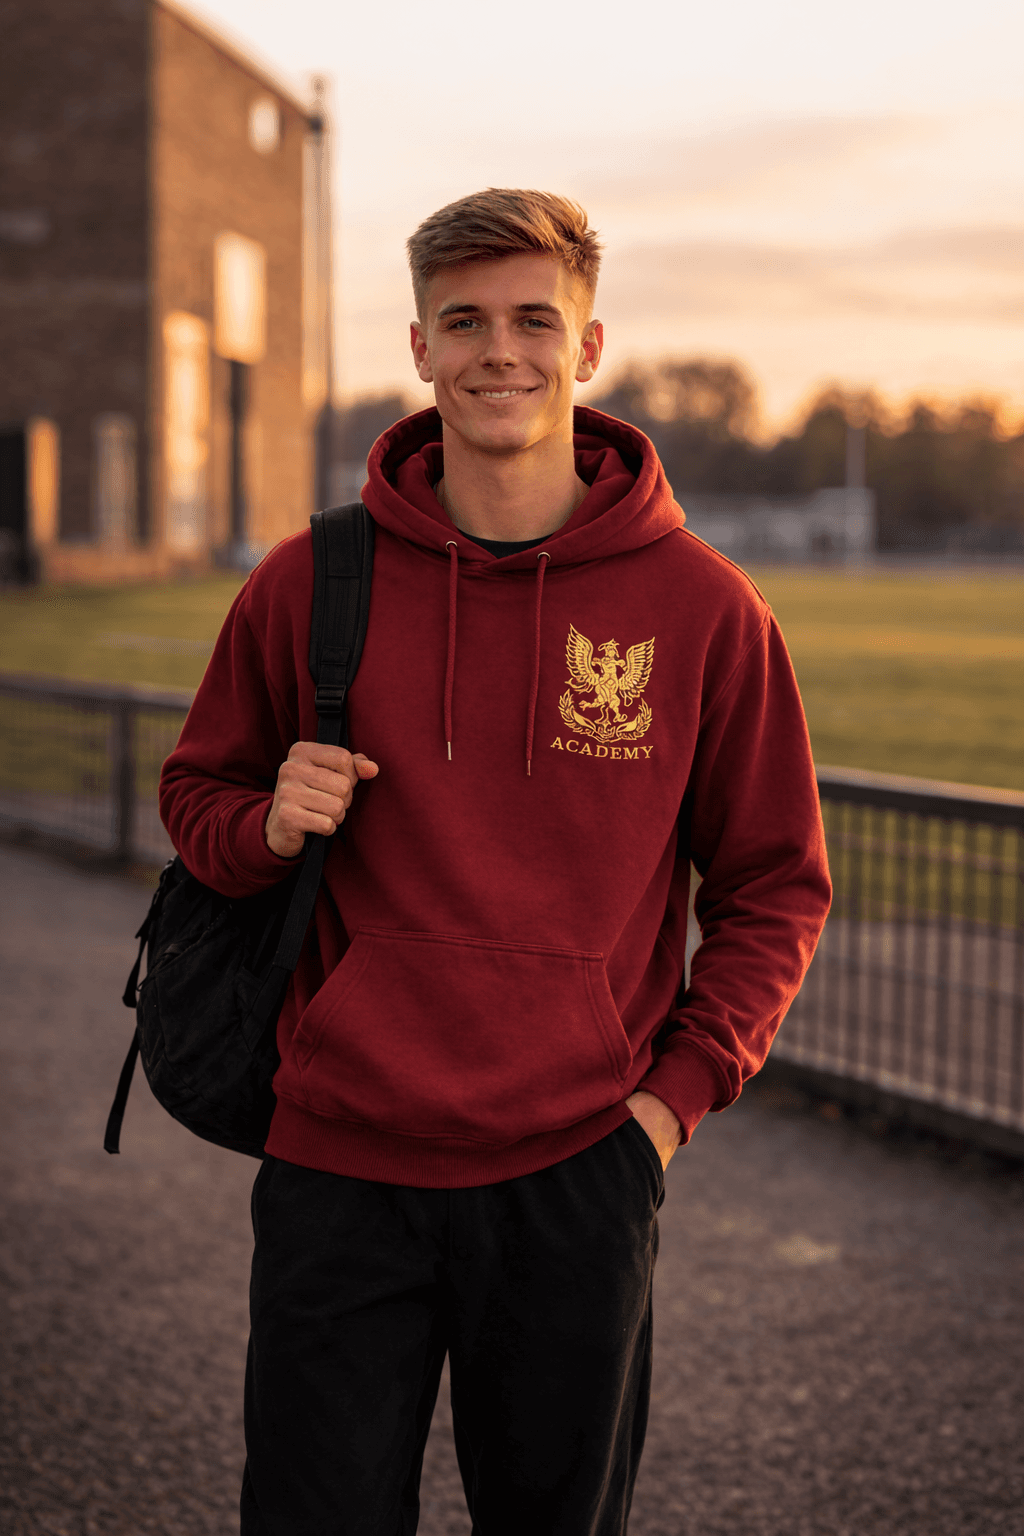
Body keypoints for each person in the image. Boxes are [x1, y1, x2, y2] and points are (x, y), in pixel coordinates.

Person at [160, 188, 831, 1536]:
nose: (499, 352)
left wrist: (666, 1110)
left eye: (535, 320)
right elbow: (198, 800)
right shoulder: (310, 580)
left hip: (580, 1165)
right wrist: (268, 824)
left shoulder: (703, 609)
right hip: (341, 1162)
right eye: (463, 322)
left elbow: (775, 889)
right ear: (419, 348)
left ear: (588, 350)